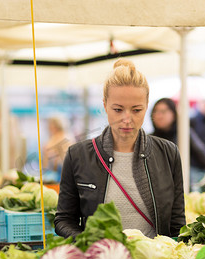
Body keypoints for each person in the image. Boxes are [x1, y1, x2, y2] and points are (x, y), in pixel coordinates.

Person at [54, 59, 186, 239]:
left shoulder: (168, 153)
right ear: (104, 106)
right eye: (118, 109)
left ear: (147, 106)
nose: (127, 119)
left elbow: (177, 224)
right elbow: (64, 220)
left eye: (136, 110)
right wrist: (88, 243)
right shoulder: (78, 155)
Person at [150, 97, 205, 188]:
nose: (159, 115)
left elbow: (202, 153)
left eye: (163, 111)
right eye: (155, 112)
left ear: (173, 114)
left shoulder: (183, 133)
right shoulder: (149, 139)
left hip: (183, 185)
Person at [43, 116, 74, 182]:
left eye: (51, 125)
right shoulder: (54, 137)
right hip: (54, 170)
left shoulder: (64, 137)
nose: (49, 128)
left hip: (61, 170)